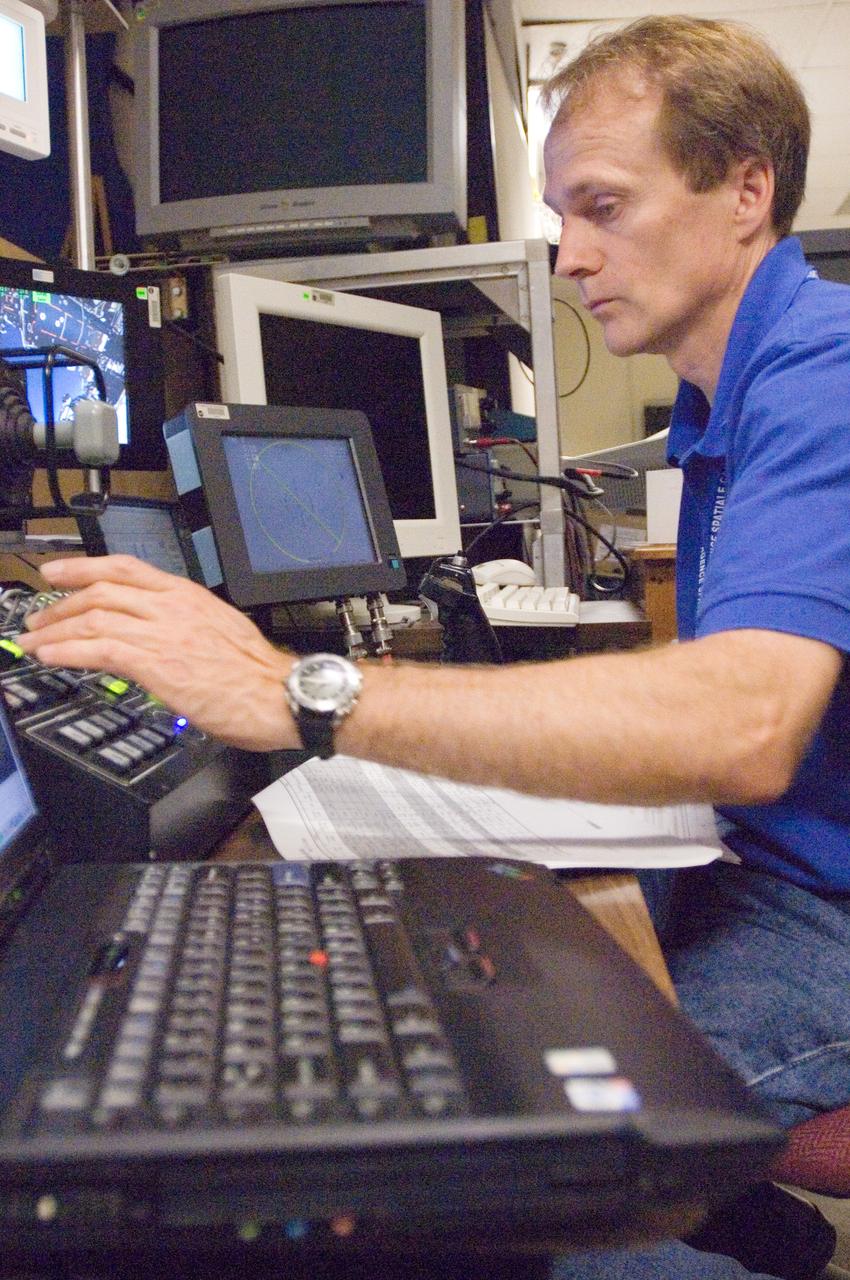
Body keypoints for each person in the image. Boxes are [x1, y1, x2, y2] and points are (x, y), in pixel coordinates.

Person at [16, 15, 850, 1278]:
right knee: (481, 1004)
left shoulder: (823, 379)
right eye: (563, 214)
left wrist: (301, 690)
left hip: (826, 909)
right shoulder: (719, 395)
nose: (570, 255)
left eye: (604, 207)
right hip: (774, 859)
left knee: (510, 1194)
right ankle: (749, 1219)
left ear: (746, 190)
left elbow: (743, 722)